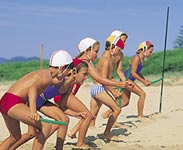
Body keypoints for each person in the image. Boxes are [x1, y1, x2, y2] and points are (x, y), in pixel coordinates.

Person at [0, 50, 73, 150]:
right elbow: (32, 89)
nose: (67, 74)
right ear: (62, 68)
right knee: (45, 126)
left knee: (14, 137)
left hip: (6, 100)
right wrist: (33, 111)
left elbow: (55, 83)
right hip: (14, 101)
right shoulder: (46, 77)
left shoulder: (46, 75)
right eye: (68, 71)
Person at [62, 37, 128, 147]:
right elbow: (100, 79)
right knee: (90, 115)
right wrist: (119, 84)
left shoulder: (82, 62)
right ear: (87, 51)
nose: (97, 54)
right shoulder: (85, 63)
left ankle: (73, 133)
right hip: (67, 95)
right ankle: (85, 141)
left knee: (88, 115)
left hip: (68, 94)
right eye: (96, 51)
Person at [10, 61, 88, 150]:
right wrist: (32, 110)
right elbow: (35, 86)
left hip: (42, 102)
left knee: (64, 119)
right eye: (84, 74)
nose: (86, 78)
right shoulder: (59, 79)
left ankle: (59, 148)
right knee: (31, 133)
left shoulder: (68, 88)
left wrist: (75, 114)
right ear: (74, 72)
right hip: (30, 101)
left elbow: (62, 108)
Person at [89, 35, 131, 140]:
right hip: (99, 86)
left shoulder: (119, 55)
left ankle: (74, 132)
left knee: (91, 115)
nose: (122, 47)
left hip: (105, 84)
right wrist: (113, 91)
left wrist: (125, 82)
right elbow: (103, 79)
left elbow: (119, 71)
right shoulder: (106, 58)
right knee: (93, 116)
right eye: (120, 47)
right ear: (113, 46)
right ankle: (106, 132)